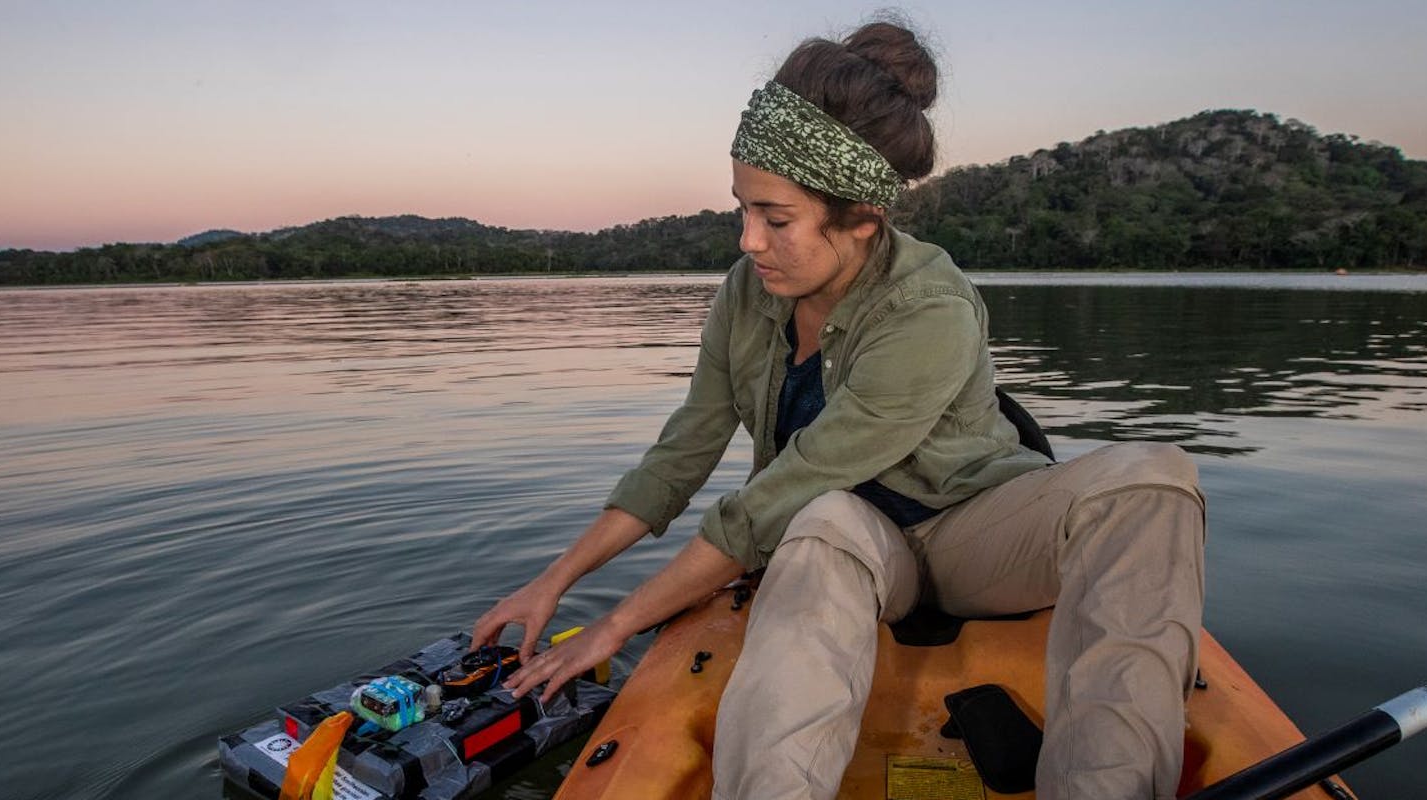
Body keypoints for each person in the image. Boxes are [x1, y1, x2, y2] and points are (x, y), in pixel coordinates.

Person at [473, 19, 1205, 800]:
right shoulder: (745, 294)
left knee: (1153, 477)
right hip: (854, 543)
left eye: (776, 219)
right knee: (819, 521)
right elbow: (681, 457)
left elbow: (770, 500)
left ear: (861, 218)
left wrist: (617, 626)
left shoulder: (929, 308)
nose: (749, 241)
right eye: (741, 208)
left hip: (972, 532)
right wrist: (554, 580)